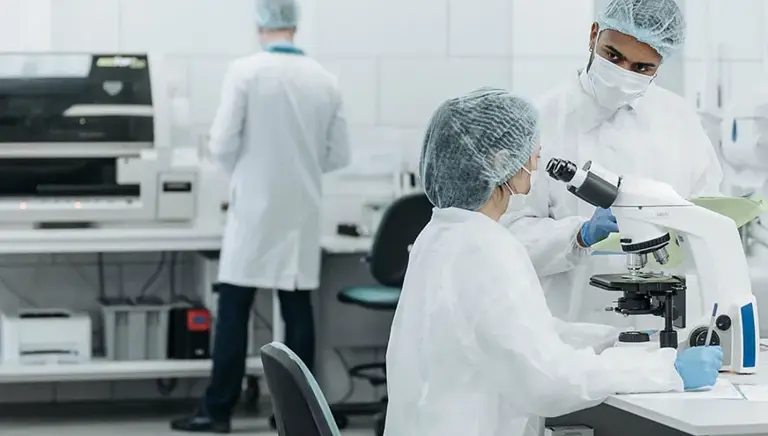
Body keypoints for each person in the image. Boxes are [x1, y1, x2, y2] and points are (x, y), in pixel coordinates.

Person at [384, 87, 723, 436]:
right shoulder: (486, 247)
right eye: (532, 152)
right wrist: (666, 371)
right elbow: (547, 380)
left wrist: (618, 340)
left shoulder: (441, 234)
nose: (536, 163)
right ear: (502, 163)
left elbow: (528, 332)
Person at [171, 0, 350, 432]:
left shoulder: (245, 72)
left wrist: (251, 173)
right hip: (301, 213)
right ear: (294, 24)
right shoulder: (324, 80)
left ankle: (217, 411)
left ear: (259, 24)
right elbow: (338, 154)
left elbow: (221, 145)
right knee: (297, 311)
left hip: (253, 210)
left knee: (234, 308)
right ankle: (296, 417)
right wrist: (298, 170)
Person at [504, 0, 724, 326]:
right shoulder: (539, 121)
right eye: (613, 56)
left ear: (660, 64)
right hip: (567, 334)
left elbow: (709, 216)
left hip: (663, 332)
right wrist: (579, 235)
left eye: (642, 68)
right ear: (593, 36)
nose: (623, 75)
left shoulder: (680, 122)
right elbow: (507, 238)